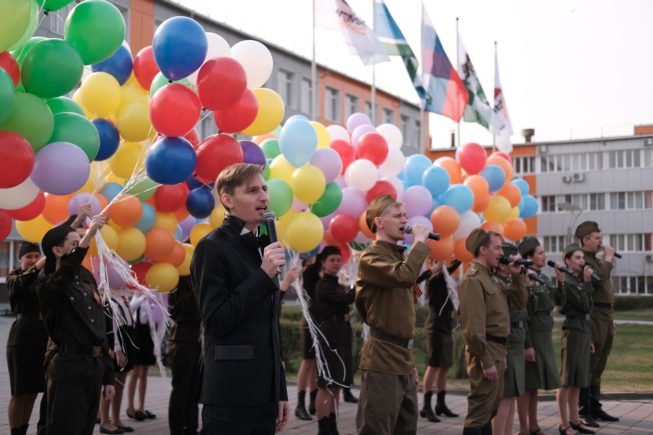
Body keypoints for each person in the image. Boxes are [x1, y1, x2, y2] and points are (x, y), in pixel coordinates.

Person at [191, 163, 288, 434]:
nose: (264, 197)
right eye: (252, 190)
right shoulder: (212, 247)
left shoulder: (260, 246)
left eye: (265, 189)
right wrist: (262, 275)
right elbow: (216, 321)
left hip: (264, 394)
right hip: (231, 394)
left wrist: (279, 390)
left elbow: (270, 327)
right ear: (228, 200)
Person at [354, 195, 431, 435]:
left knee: (406, 428)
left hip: (402, 359)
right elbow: (404, 277)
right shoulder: (371, 257)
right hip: (382, 359)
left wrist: (411, 365)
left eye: (405, 216)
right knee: (377, 428)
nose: (404, 220)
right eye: (397, 216)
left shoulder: (396, 258)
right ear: (379, 222)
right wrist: (419, 243)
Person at [39, 214, 116, 435]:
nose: (82, 246)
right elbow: (64, 274)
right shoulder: (49, 283)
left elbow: (99, 326)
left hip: (93, 368)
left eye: (81, 242)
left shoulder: (85, 278)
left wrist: (108, 376)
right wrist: (89, 234)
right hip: (68, 367)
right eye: (75, 243)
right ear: (57, 250)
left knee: (84, 429)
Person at [458, 229, 517, 435]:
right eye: (497, 247)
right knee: (479, 412)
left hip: (496, 350)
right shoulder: (474, 280)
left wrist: (501, 355)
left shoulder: (490, 278)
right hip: (485, 351)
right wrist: (486, 359)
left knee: (490, 410)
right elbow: (473, 328)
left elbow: (511, 308)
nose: (502, 252)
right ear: (483, 250)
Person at [575, 221, 619, 424]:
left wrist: (611, 319)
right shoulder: (585, 261)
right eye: (597, 238)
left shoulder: (597, 260)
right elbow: (599, 280)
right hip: (594, 316)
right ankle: (584, 409)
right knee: (591, 362)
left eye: (601, 238)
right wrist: (608, 259)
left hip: (605, 316)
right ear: (586, 240)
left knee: (601, 361)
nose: (601, 242)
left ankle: (595, 405)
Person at [517, 237, 561, 435]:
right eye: (540, 253)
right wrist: (527, 344)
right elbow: (523, 314)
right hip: (532, 335)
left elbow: (557, 300)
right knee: (527, 386)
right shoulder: (523, 278)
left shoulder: (541, 275)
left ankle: (534, 426)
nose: (545, 256)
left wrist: (560, 280)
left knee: (534, 385)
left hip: (543, 335)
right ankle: (525, 429)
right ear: (529, 257)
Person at [312, 245, 355, 435]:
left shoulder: (335, 282)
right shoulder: (324, 285)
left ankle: (332, 425)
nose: (336, 263)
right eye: (332, 260)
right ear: (323, 262)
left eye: (339, 260)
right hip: (330, 335)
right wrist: (361, 283)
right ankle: (323, 427)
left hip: (341, 333)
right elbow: (346, 300)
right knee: (327, 384)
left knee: (337, 385)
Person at [6, 242, 47, 435]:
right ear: (20, 259)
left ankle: (23, 428)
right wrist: (38, 267)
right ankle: (15, 431)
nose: (33, 260)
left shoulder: (42, 279)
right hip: (22, 337)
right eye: (28, 256)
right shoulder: (14, 277)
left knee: (33, 390)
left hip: (41, 335)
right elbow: (21, 284)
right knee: (19, 391)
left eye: (36, 256)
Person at [557, 244, 596, 435]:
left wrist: (589, 338)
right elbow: (584, 305)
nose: (582, 261)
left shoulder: (577, 281)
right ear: (567, 261)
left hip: (582, 331)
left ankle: (574, 419)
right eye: (578, 258)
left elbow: (587, 308)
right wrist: (588, 282)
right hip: (572, 331)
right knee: (567, 379)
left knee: (578, 379)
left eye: (583, 258)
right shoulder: (569, 281)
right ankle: (564, 424)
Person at [419, 258, 461, 423]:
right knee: (434, 364)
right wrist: (442, 266)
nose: (442, 264)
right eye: (437, 261)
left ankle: (441, 404)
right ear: (430, 263)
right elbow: (445, 271)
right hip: (435, 326)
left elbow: (450, 269)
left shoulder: (446, 279)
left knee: (445, 365)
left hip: (446, 325)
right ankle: (426, 406)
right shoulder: (433, 279)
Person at [492, 242, 528, 435]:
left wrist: (517, 275)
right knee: (505, 398)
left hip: (514, 342)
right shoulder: (495, 281)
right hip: (505, 342)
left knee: (512, 395)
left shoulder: (508, 280)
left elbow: (521, 302)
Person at [168, 275, 202, 435]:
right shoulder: (179, 280)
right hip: (183, 340)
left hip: (198, 341)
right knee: (181, 387)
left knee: (194, 387)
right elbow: (179, 310)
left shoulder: (201, 277)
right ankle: (177, 428)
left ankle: (192, 426)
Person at [99, 291, 135, 434]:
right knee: (109, 382)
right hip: (117, 343)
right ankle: (104, 420)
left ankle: (115, 418)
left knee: (120, 383)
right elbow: (111, 327)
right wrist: (117, 349)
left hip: (126, 340)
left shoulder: (122, 298)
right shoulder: (108, 299)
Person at [126, 294, 165, 422]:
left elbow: (161, 323)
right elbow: (131, 308)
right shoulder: (138, 296)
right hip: (137, 336)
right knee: (135, 372)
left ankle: (141, 406)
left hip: (149, 337)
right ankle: (130, 406)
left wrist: (157, 344)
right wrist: (143, 297)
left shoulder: (158, 299)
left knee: (144, 373)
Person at [295, 256, 321, 421]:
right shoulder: (309, 272)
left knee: (316, 363)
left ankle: (313, 401)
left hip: (319, 322)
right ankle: (299, 405)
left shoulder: (315, 271)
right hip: (310, 321)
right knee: (308, 362)